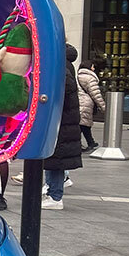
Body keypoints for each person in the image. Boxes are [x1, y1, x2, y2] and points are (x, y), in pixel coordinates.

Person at [42, 44, 83, 210]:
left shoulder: (61, 73)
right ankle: (52, 190)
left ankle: (55, 195)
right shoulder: (64, 69)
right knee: (53, 159)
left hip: (62, 122)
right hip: (63, 122)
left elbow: (59, 97)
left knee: (57, 159)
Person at [76, 60, 105, 152]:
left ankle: (90, 142)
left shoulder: (77, 76)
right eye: (93, 66)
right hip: (86, 103)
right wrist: (103, 106)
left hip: (79, 102)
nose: (94, 68)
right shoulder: (89, 78)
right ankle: (83, 143)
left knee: (83, 124)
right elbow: (96, 94)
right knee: (84, 124)